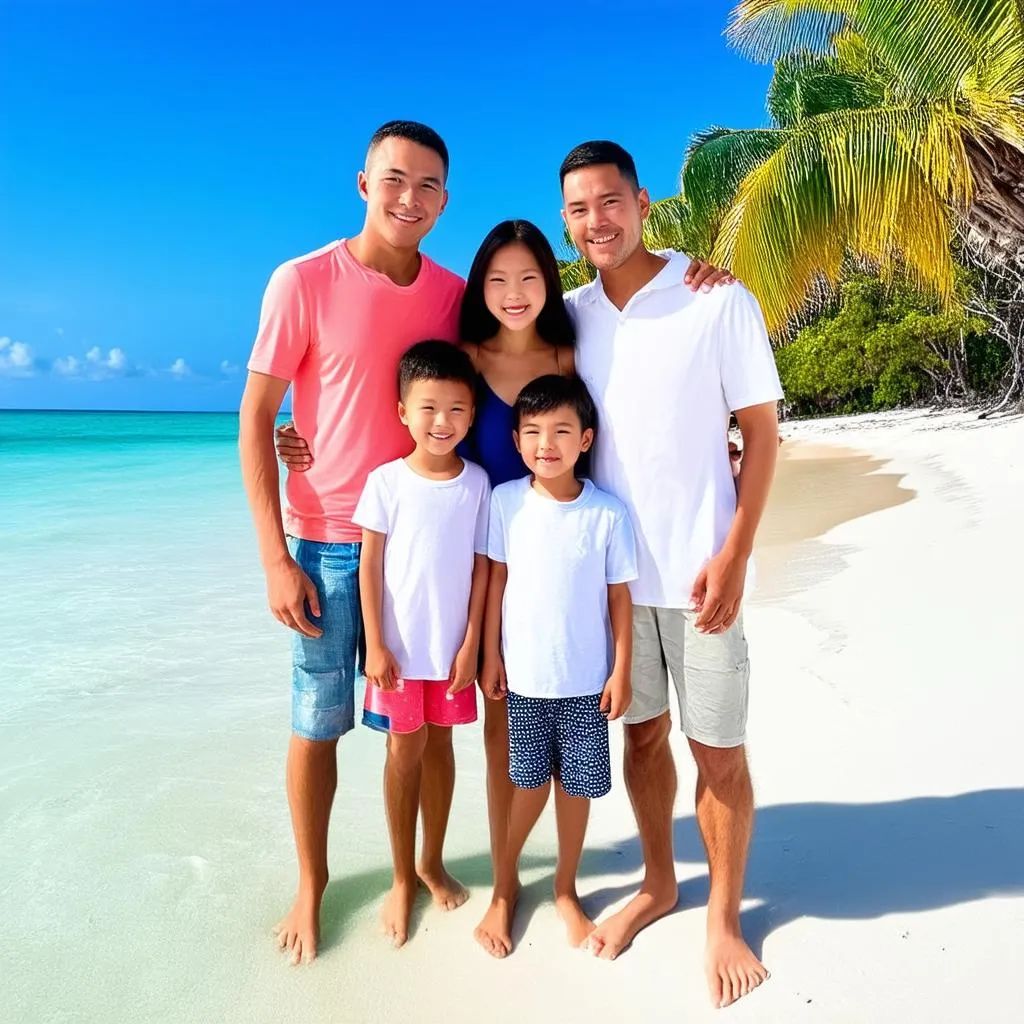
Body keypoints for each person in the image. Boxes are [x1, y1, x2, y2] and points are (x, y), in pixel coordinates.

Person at [273, 217, 734, 894]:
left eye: (527, 278)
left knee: (544, 729)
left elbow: (629, 416)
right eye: (496, 279)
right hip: (468, 567)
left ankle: (546, 876)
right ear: (478, 286)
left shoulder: (572, 353)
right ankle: (502, 876)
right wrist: (299, 436)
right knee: (493, 733)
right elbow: (401, 410)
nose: (513, 293)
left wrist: (697, 275)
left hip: (558, 569)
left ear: (549, 283)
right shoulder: (462, 354)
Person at [558, 140, 783, 1009]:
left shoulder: (715, 299)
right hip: (612, 583)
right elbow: (477, 394)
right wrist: (304, 439)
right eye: (578, 209)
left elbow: (760, 434)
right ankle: (660, 881)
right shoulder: (568, 313)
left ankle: (724, 916)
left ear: (643, 202)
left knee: (717, 751)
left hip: (700, 575)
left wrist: (733, 552)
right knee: (641, 740)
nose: (596, 221)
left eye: (610, 202)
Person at [238, 120, 466, 965]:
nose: (411, 198)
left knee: (427, 729)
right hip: (329, 545)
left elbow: (520, 374)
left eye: (429, 185)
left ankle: (427, 862)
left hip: (426, 547)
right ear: (363, 184)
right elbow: (257, 420)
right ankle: (313, 881)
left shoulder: (450, 295)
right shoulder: (301, 280)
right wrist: (272, 557)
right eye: (395, 179)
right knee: (318, 723)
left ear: (446, 201)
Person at [474, 374, 637, 958]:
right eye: (534, 432)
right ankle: (503, 887)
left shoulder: (607, 514)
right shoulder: (505, 502)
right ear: (517, 442)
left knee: (577, 789)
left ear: (586, 439)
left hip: (588, 682)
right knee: (527, 786)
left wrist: (622, 670)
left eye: (562, 431)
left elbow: (620, 599)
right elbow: (494, 581)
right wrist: (489, 654)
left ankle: (566, 889)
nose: (548, 443)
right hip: (524, 680)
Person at [354, 341, 490, 947]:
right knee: (402, 755)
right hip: (400, 656)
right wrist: (375, 645)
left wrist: (471, 646)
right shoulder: (386, 482)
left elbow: (484, 568)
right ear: (401, 411)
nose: (443, 422)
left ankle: (433, 860)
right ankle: (401, 877)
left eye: (458, 409)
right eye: (429, 407)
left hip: (450, 653)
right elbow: (369, 567)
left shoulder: (478, 483)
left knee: (441, 752)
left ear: (473, 413)